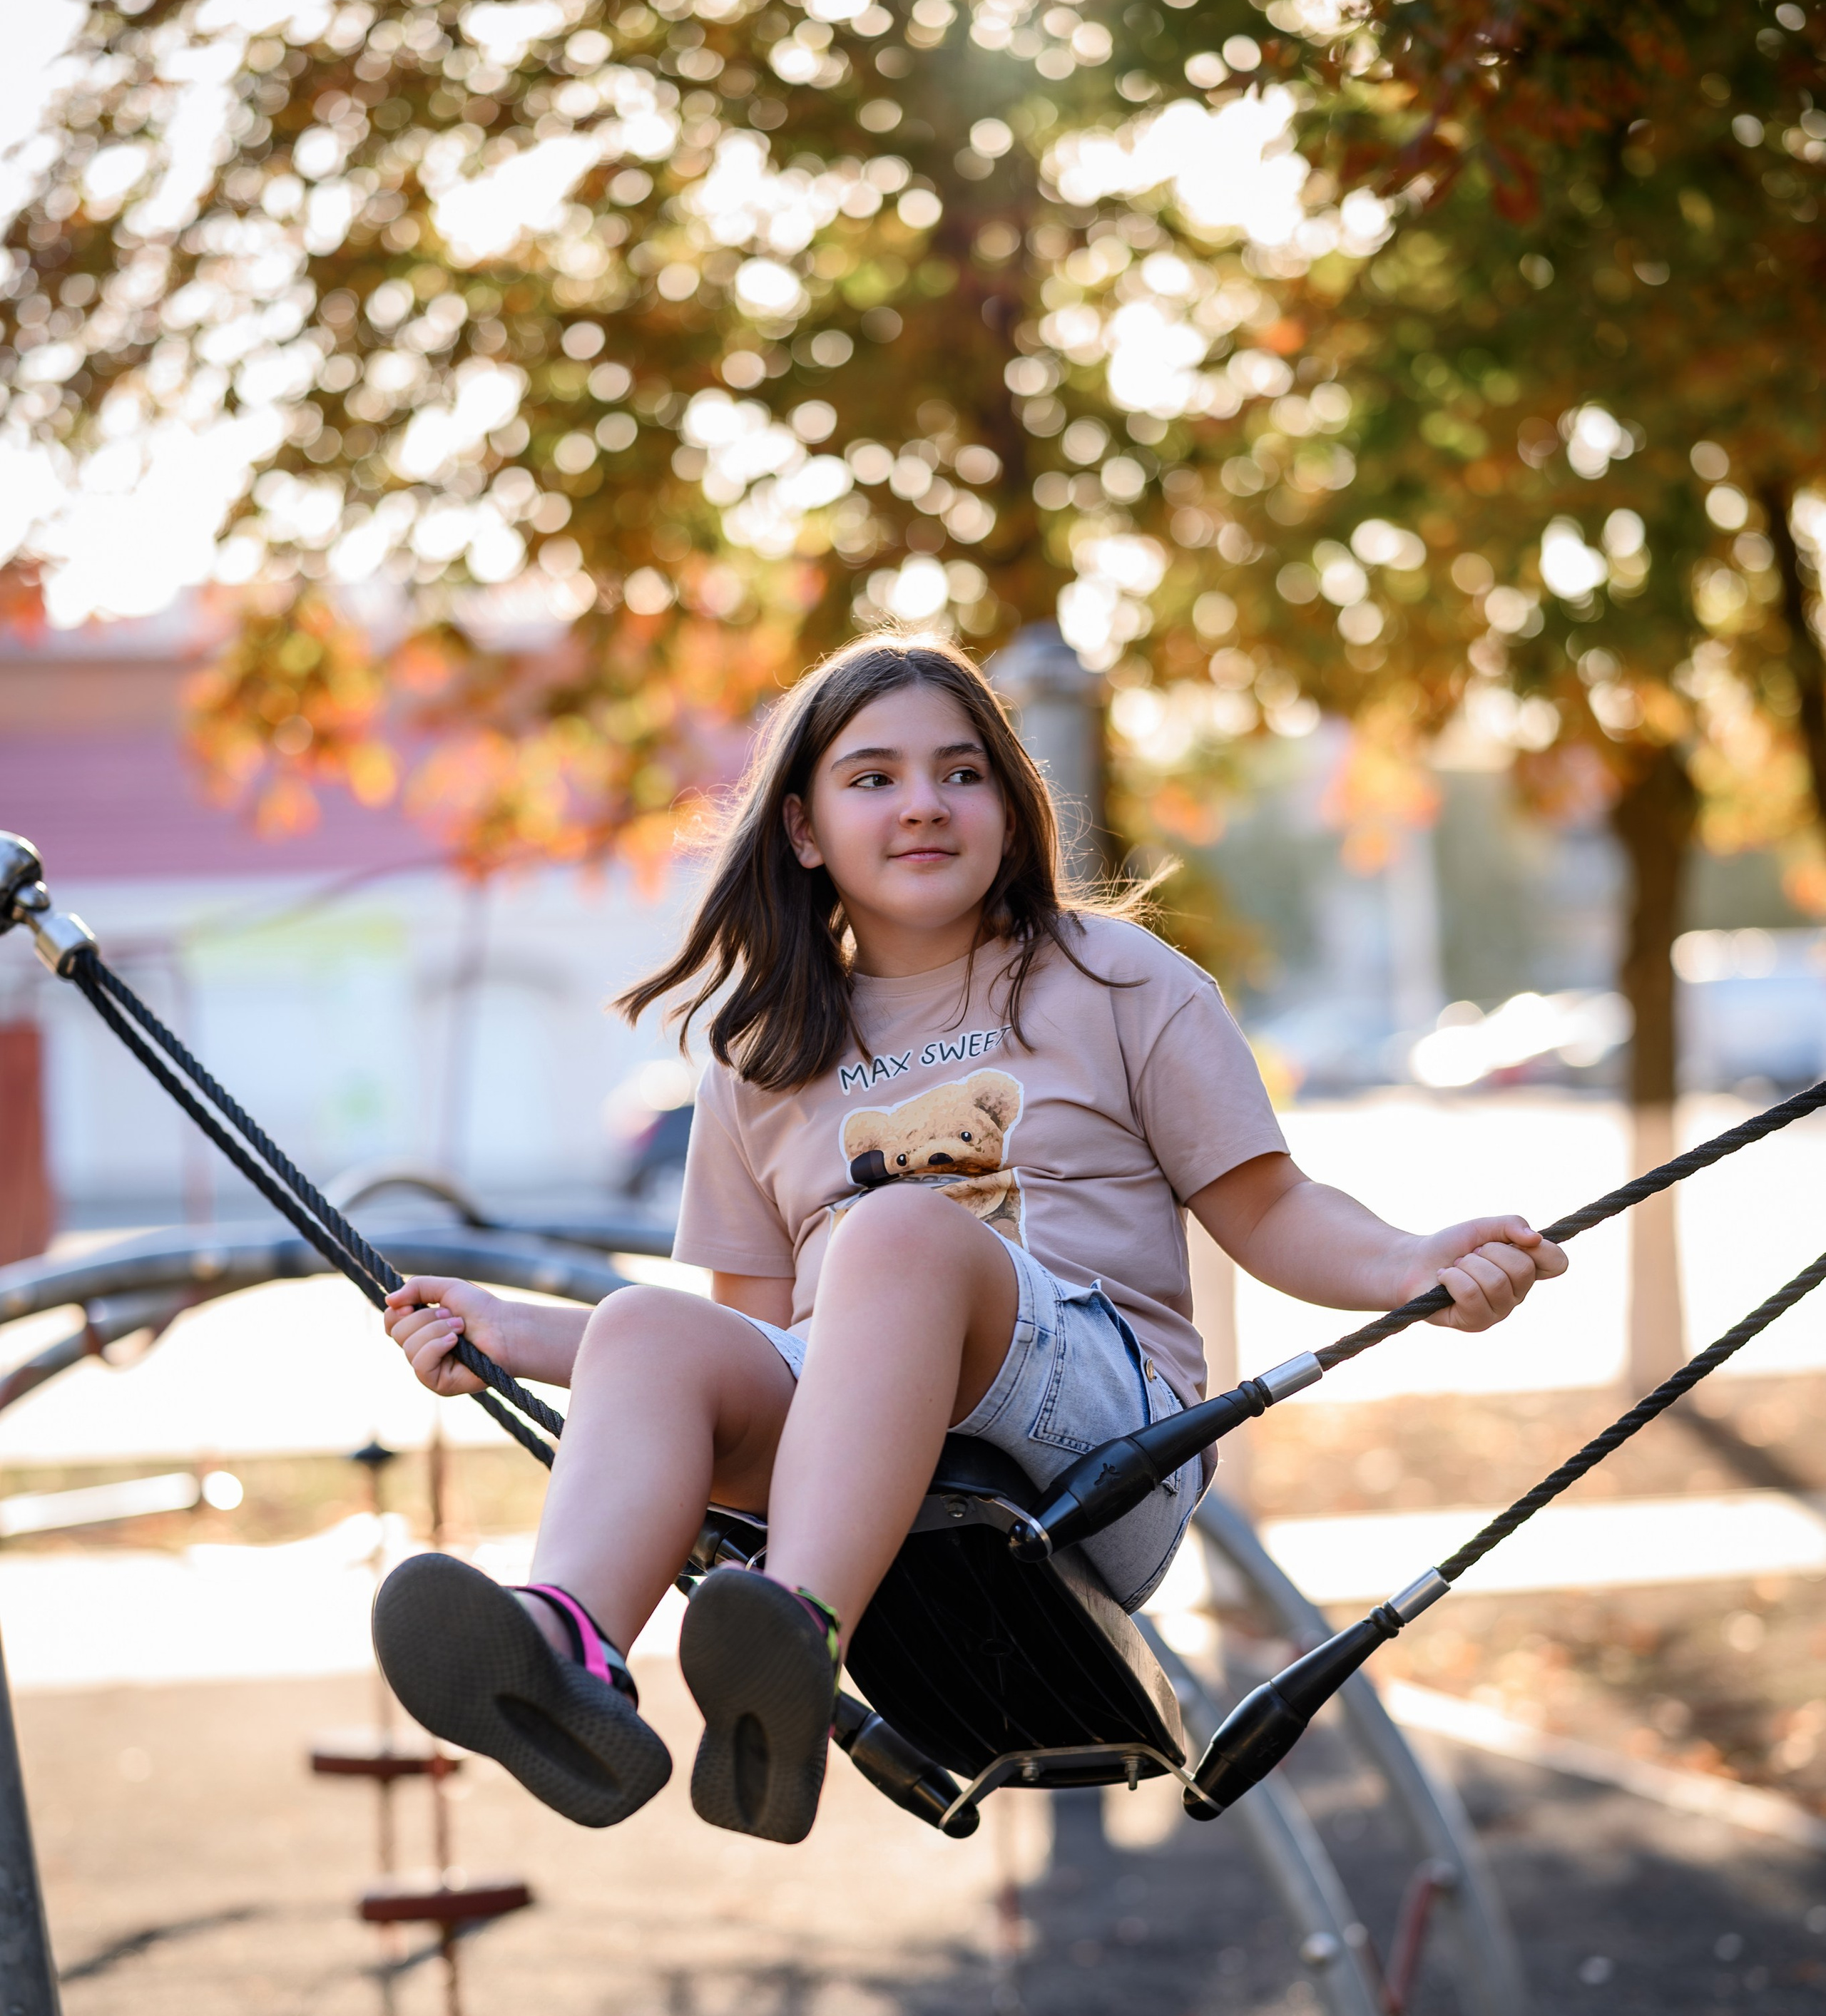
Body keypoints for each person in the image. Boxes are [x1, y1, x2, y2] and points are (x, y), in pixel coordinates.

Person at [371, 633, 1566, 1846]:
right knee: (645, 1323)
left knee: (900, 1229)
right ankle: (565, 1650)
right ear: (803, 830)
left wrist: (1411, 1261)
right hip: (869, 1470)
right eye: (874, 778)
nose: (923, 804)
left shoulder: (1116, 980)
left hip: (1103, 1458)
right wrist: (522, 1335)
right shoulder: (763, 1056)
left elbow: (1271, 1208)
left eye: (961, 772)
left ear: (1011, 803)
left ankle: (792, 1636)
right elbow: (755, 1355)